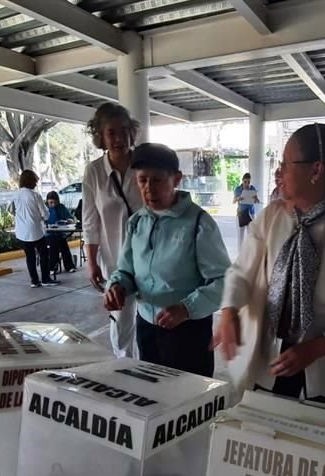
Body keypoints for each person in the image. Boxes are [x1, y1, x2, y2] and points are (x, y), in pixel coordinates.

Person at [213, 123, 325, 409]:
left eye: (285, 163)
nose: (278, 171)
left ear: (316, 170)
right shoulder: (271, 216)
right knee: (264, 438)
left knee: (322, 445)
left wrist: (316, 348)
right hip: (269, 355)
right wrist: (229, 311)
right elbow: (240, 272)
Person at [104, 143, 231, 377]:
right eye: (142, 180)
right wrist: (117, 286)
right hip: (147, 327)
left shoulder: (198, 224)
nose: (148, 188)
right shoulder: (137, 222)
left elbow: (223, 282)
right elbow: (126, 270)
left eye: (157, 180)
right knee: (153, 396)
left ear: (177, 179)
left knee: (190, 400)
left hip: (187, 331)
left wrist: (186, 308)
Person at [82, 103, 144, 358]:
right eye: (111, 132)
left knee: (154, 322)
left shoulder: (145, 163)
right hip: (115, 262)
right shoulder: (94, 172)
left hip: (151, 259)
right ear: (101, 136)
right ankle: (125, 373)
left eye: (124, 131)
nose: (119, 138)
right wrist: (92, 263)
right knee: (121, 323)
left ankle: (154, 374)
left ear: (132, 132)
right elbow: (90, 221)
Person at [13, 170, 58, 288]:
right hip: (35, 231)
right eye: (35, 181)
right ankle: (45, 279)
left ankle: (34, 281)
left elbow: (11, 210)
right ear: (30, 181)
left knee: (30, 257)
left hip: (21, 232)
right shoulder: (35, 195)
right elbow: (45, 214)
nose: (36, 184)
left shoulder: (16, 195)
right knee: (43, 255)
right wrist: (42, 216)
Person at [45, 190, 77, 273]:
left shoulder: (61, 207)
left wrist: (69, 220)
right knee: (58, 241)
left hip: (59, 233)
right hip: (47, 234)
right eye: (51, 202)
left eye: (55, 203)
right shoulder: (45, 209)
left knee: (59, 241)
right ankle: (69, 266)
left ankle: (52, 267)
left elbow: (70, 218)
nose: (53, 205)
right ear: (47, 201)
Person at [234, 173, 260, 247]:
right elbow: (233, 201)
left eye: (248, 182)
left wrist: (256, 199)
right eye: (245, 182)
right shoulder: (238, 189)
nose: (247, 184)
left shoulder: (252, 189)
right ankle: (240, 255)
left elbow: (256, 201)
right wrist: (238, 198)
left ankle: (250, 254)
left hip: (251, 214)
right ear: (242, 180)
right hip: (241, 214)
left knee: (251, 235)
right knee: (240, 236)